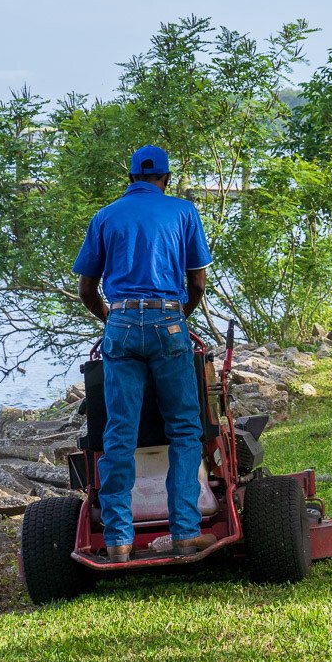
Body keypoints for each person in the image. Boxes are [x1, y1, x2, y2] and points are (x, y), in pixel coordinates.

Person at [73, 145, 214, 562]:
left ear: (130, 177)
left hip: (120, 325)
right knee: (185, 430)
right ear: (166, 178)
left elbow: (87, 289)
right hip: (169, 323)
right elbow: (199, 284)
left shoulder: (105, 216)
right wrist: (178, 317)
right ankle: (185, 532)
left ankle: (117, 540)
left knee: (119, 434)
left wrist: (112, 322)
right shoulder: (184, 212)